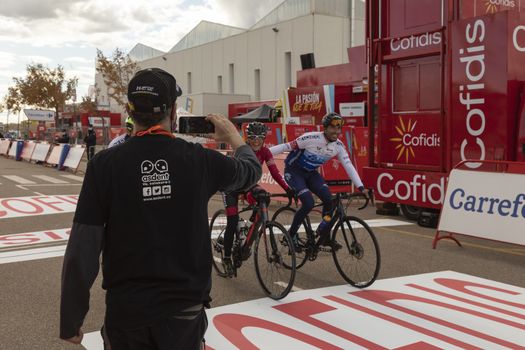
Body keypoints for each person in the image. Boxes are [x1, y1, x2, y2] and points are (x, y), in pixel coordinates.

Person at [60, 67, 261, 349]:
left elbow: (83, 247)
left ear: (130, 109)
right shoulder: (200, 160)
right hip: (183, 315)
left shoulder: (104, 165)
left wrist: (71, 318)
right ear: (174, 110)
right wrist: (233, 138)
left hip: (127, 313)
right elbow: (250, 172)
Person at [270, 112, 366, 251]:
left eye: (339, 128)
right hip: (294, 172)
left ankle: (323, 232)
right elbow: (286, 147)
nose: (336, 131)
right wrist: (262, 154)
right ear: (325, 128)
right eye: (333, 127)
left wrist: (361, 187)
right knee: (308, 202)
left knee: (330, 201)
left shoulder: (338, 146)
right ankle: (291, 235)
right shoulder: (311, 138)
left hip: (311, 174)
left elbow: (348, 165)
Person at [221, 121, 293, 277]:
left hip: (248, 183)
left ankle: (250, 229)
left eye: (260, 137)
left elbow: (274, 172)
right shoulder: (242, 150)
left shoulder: (266, 152)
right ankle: (227, 258)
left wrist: (288, 189)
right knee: (232, 223)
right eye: (252, 137)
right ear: (247, 137)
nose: (256, 140)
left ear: (264, 138)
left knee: (264, 198)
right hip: (231, 186)